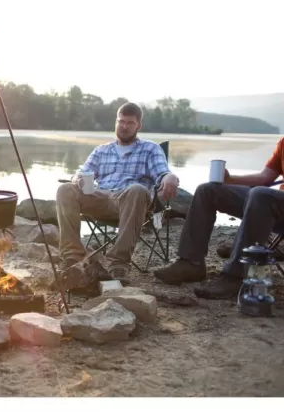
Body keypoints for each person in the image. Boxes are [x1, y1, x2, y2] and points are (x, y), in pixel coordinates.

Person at [55, 102, 179, 282]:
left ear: (139, 126)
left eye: (130, 123)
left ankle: (118, 262)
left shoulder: (150, 149)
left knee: (137, 189)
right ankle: (72, 257)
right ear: (116, 122)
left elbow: (162, 172)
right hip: (100, 197)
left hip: (130, 200)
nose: (124, 126)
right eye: (121, 122)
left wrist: (169, 176)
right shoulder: (101, 150)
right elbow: (83, 172)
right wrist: (77, 179)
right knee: (65, 190)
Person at [154, 138, 284, 298]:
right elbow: (265, 178)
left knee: (260, 194)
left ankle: (236, 276)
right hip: (274, 204)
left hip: (272, 203)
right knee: (207, 190)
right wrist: (230, 179)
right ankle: (191, 263)